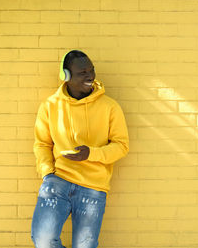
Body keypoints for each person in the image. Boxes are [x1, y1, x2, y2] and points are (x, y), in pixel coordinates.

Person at [31, 50, 129, 248]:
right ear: (66, 76)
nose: (90, 76)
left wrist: (91, 153)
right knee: (43, 239)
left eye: (91, 70)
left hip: (93, 187)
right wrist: (47, 173)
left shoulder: (110, 107)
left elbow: (121, 146)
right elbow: (42, 143)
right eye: (82, 72)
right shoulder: (50, 106)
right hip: (57, 182)